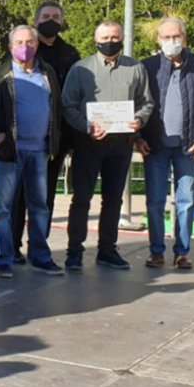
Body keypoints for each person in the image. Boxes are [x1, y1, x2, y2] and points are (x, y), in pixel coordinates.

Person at [61, 20, 153, 271]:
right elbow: (67, 106)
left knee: (113, 199)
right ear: (95, 39)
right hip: (88, 144)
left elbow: (146, 103)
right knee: (82, 198)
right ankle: (74, 251)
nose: (110, 42)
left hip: (121, 144)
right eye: (105, 38)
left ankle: (107, 250)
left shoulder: (136, 68)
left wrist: (139, 120)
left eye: (115, 37)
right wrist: (86, 126)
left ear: (122, 37)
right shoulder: (80, 69)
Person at [0, 25, 64, 278]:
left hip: (40, 152)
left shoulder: (47, 73)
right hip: (10, 154)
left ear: (37, 45)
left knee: (40, 206)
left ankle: (40, 256)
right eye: (19, 42)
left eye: (30, 42)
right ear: (10, 47)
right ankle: (4, 258)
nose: (25, 47)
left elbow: (56, 110)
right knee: (3, 208)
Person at [137, 17, 194, 270]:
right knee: (155, 201)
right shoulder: (147, 66)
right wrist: (137, 138)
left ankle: (182, 252)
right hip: (155, 146)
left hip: (189, 146)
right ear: (158, 40)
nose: (172, 41)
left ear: (185, 37)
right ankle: (156, 251)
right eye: (166, 37)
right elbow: (137, 105)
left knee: (186, 201)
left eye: (176, 36)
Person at [10, 0, 81, 264]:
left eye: (56, 16)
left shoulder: (71, 55)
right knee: (17, 197)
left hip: (53, 141)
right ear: (36, 19)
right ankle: (13, 246)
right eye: (45, 16)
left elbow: (73, 99)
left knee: (44, 197)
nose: (51, 20)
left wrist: (71, 139)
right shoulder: (23, 50)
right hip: (20, 141)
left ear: (62, 21)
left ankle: (38, 247)